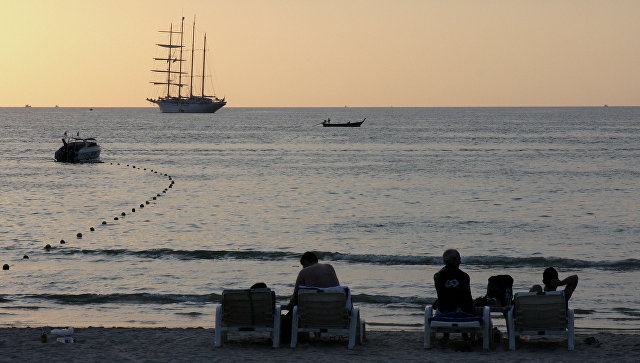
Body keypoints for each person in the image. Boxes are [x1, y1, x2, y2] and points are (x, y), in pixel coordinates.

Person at [433, 249, 474, 314]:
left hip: (443, 310)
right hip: (460, 311)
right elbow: (467, 297)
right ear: (454, 259)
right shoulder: (464, 276)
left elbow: (442, 294)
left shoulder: (437, 276)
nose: (460, 262)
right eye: (459, 259)